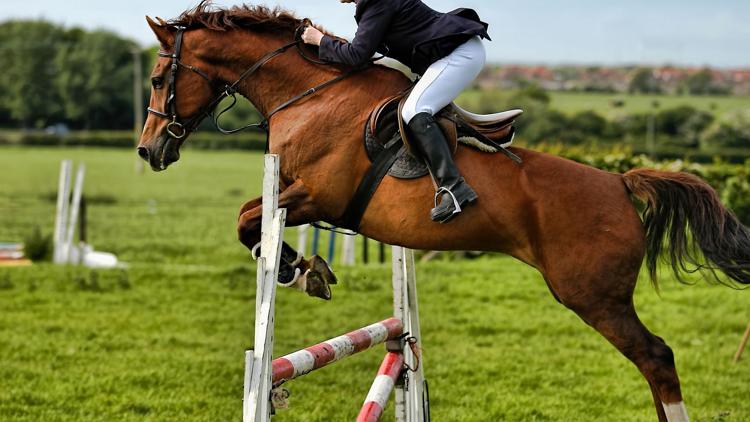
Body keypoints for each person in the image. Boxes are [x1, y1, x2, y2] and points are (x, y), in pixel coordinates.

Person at [302, 0, 490, 223]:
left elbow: (355, 56)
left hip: (459, 55)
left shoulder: (377, 4)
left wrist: (319, 40)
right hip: (450, 55)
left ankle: (454, 188)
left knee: (414, 110)